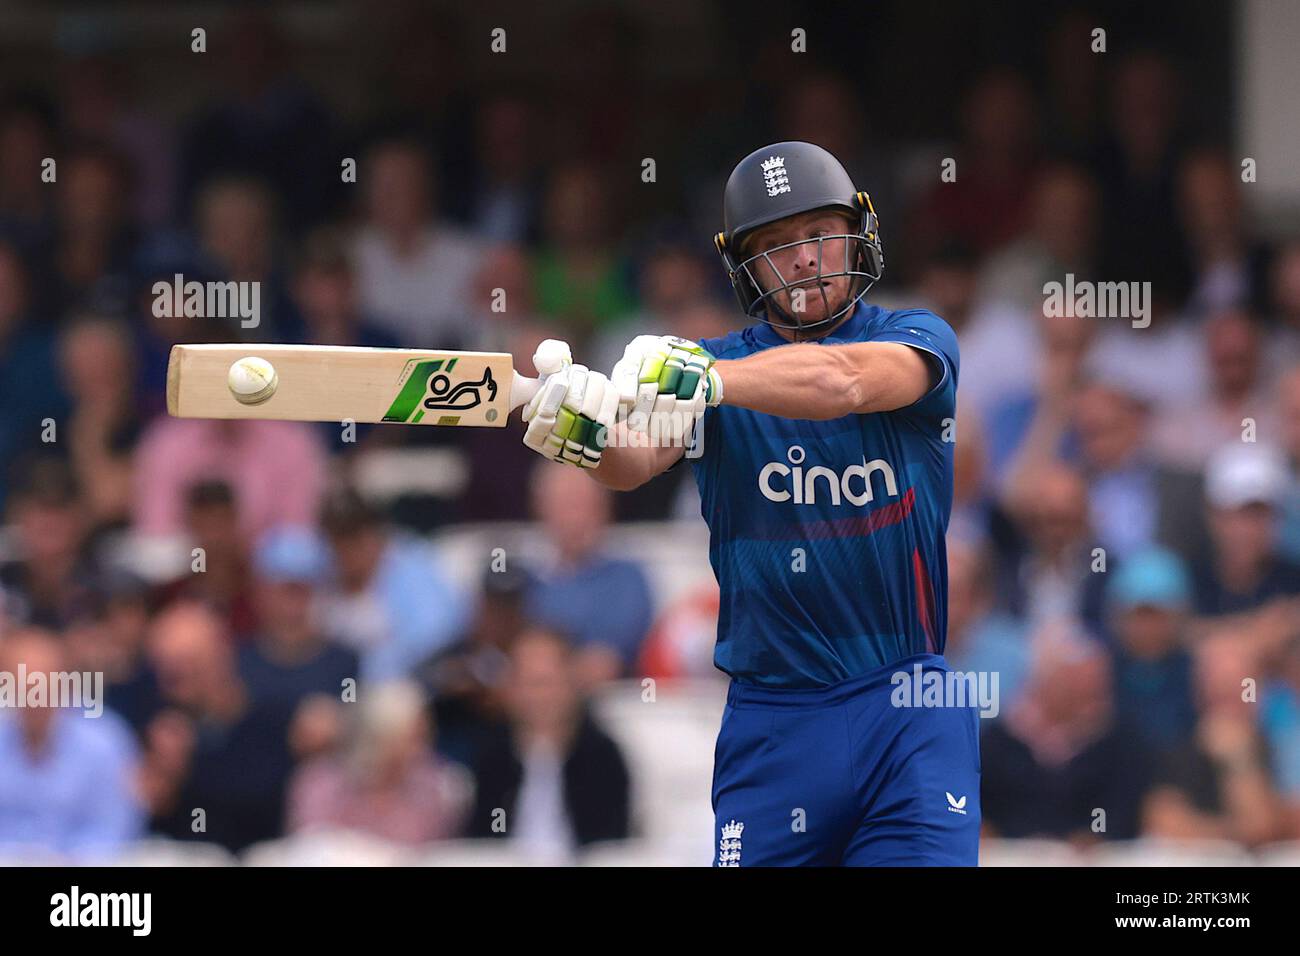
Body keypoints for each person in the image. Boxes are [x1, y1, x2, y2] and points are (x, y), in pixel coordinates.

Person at [516, 142, 977, 865]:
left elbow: (844, 382)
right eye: (777, 245)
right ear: (744, 267)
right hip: (773, 720)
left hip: (907, 704)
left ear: (858, 234)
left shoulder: (914, 339)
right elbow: (634, 461)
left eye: (819, 233)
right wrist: (573, 430)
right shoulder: (709, 370)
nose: (803, 259)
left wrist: (713, 376)